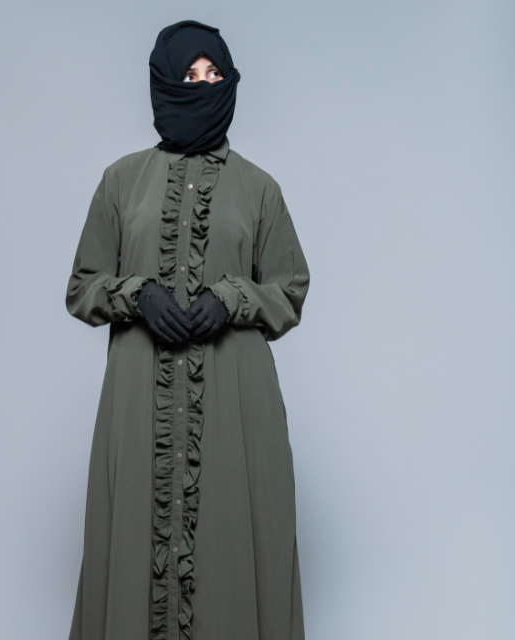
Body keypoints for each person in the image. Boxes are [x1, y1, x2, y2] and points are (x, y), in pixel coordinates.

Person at [65, 19, 310, 640]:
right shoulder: (121, 181)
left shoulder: (259, 189)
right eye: (188, 74)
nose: (202, 85)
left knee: (230, 556)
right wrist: (136, 295)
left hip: (234, 405)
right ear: (162, 82)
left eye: (213, 73)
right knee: (133, 546)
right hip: (138, 401)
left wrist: (233, 300)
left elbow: (290, 288)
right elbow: (82, 286)